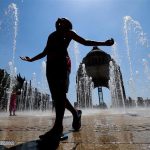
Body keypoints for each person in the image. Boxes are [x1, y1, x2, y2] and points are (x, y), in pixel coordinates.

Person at [20, 18, 114, 141]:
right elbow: (45, 52)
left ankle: (58, 128)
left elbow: (85, 42)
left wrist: (104, 43)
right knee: (58, 97)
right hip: (50, 66)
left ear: (67, 24)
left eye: (62, 20)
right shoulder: (51, 35)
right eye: (58, 21)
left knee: (60, 95)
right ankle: (76, 113)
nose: (59, 20)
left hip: (62, 65)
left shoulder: (69, 33)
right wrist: (31, 59)